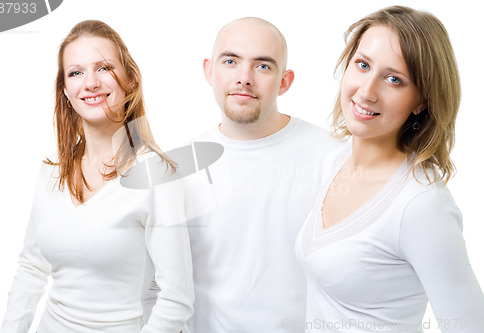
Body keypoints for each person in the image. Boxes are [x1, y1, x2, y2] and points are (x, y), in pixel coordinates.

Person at [296, 6, 484, 332]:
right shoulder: (334, 162)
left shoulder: (420, 205)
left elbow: (469, 323)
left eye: (394, 79)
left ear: (421, 101)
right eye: (363, 65)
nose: (366, 92)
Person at [0, 20, 193, 333]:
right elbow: (31, 268)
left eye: (103, 68)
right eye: (76, 72)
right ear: (65, 90)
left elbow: (176, 299)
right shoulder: (52, 172)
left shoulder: (155, 175)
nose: (89, 83)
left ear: (130, 80)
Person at [184, 17, 341, 333]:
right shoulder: (182, 168)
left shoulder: (333, 157)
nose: (244, 78)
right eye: (231, 61)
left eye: (263, 66)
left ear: (285, 81)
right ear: (209, 71)